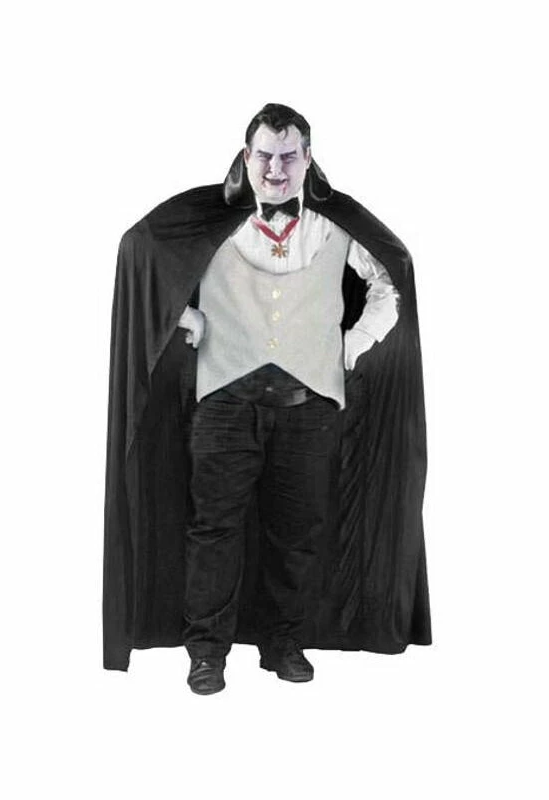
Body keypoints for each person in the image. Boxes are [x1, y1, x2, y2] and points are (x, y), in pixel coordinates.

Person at [102, 104, 431, 693]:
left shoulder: (335, 226)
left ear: (307, 159)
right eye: (265, 156)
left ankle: (284, 644)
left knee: (297, 532)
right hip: (223, 404)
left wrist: (353, 343)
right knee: (213, 531)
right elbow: (143, 254)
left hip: (309, 406)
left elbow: (390, 279)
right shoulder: (213, 222)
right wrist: (185, 317)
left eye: (288, 157)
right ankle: (207, 653)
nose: (275, 169)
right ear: (246, 157)